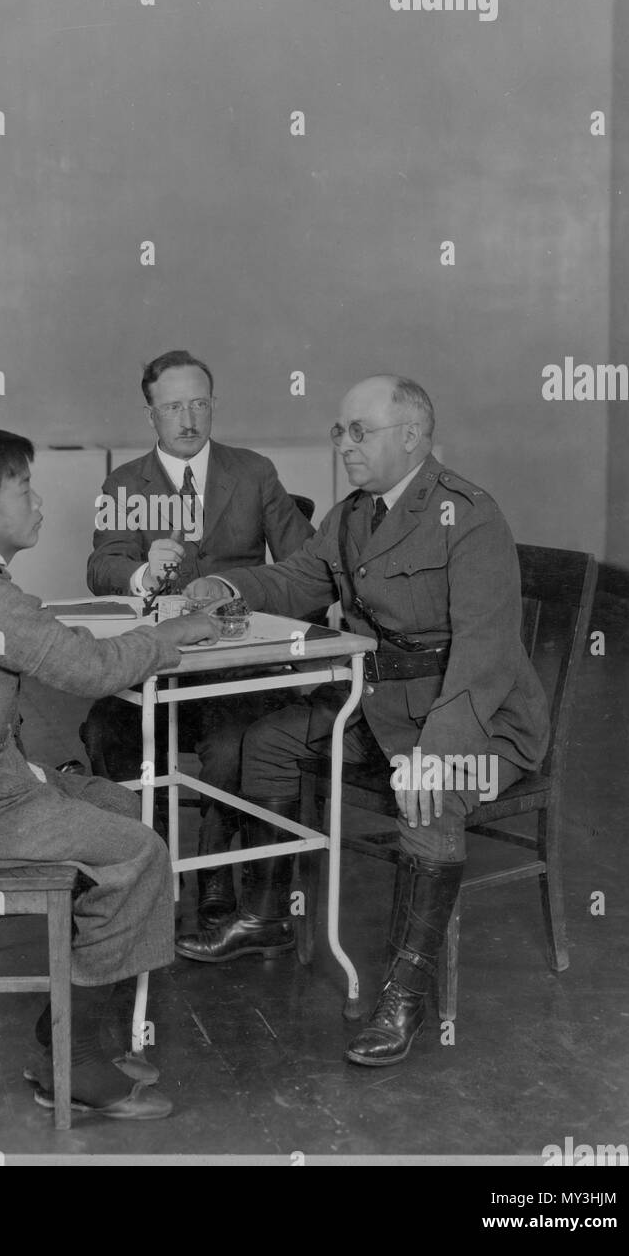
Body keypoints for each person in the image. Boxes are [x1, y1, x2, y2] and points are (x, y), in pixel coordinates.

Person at [176, 375, 550, 1068]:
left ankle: (404, 997)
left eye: (361, 431)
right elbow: (295, 581)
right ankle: (264, 917)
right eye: (339, 431)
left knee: (430, 794)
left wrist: (435, 754)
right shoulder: (352, 516)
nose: (345, 444)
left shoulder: (469, 516)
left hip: (481, 719)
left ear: (411, 436)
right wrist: (228, 586)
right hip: (383, 711)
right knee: (267, 743)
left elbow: (484, 662)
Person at [0, 428, 221, 1120]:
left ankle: (64, 1035)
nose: (40, 498)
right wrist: (169, 637)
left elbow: (53, 645)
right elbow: (84, 669)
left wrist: (140, 641)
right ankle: (69, 1061)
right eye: (24, 486)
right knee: (140, 851)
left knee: (117, 803)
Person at [83, 349, 314, 928]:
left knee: (231, 732)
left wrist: (242, 591)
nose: (189, 419)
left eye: (200, 404)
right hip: (158, 668)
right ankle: (147, 863)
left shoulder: (254, 471)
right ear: (151, 416)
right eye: (174, 407)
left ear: (214, 406)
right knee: (107, 728)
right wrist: (140, 573)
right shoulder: (125, 482)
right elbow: (102, 566)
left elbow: (309, 566)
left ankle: (214, 869)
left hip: (238, 671)